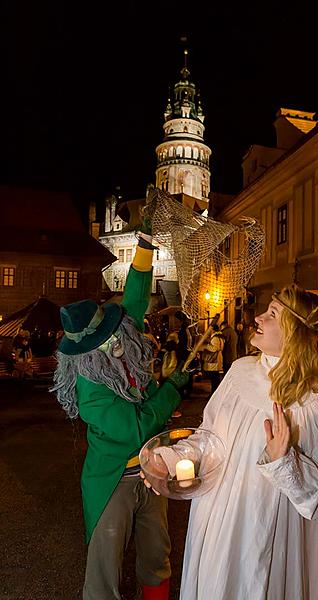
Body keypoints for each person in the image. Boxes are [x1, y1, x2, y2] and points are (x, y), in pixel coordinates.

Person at [147, 283, 318, 600]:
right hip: (223, 527)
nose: (259, 318)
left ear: (294, 332)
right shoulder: (240, 372)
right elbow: (209, 437)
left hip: (276, 536)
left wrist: (286, 464)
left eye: (272, 314)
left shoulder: (311, 403)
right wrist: (170, 458)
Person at [51, 229, 189, 600]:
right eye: (106, 341)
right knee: (104, 575)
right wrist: (172, 391)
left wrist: (144, 249)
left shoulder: (120, 338)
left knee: (157, 558)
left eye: (114, 333)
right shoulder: (89, 387)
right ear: (86, 352)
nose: (117, 341)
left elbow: (135, 300)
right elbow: (136, 426)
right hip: (113, 481)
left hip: (151, 471)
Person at [201, 323, 225, 396]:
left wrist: (205, 346)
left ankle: (213, 393)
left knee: (214, 378)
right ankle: (214, 392)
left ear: (213, 330)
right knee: (215, 377)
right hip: (218, 358)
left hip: (214, 359)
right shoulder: (220, 337)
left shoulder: (215, 338)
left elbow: (214, 348)